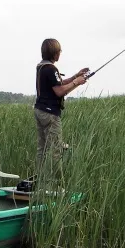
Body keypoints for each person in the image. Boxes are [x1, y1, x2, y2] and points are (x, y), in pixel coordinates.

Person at [34, 38, 89, 184]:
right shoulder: (51, 69)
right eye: (59, 51)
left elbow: (58, 83)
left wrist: (75, 76)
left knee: (43, 148)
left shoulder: (42, 67)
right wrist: (77, 82)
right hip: (50, 113)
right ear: (54, 53)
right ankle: (52, 184)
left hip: (39, 110)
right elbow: (59, 91)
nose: (60, 53)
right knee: (55, 150)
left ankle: (40, 181)